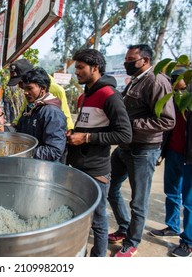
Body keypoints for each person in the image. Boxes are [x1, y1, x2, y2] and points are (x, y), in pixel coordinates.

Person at [107, 44, 176, 257]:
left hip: (144, 150)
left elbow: (167, 120)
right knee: (110, 186)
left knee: (138, 200)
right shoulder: (137, 80)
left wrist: (131, 126)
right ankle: (124, 227)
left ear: (144, 60)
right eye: (126, 59)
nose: (126, 63)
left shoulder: (156, 81)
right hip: (125, 146)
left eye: (130, 59)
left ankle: (132, 242)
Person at [66, 49, 132, 257]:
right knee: (81, 216)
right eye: (75, 67)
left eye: (80, 67)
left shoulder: (109, 95)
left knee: (98, 219)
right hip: (79, 166)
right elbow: (92, 126)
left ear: (95, 68)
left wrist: (85, 138)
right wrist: (75, 134)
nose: (76, 72)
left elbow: (124, 135)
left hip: (96, 169)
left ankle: (99, 258)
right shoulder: (85, 95)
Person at [148, 68, 192, 257]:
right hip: (173, 152)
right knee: (172, 192)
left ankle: (188, 242)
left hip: (190, 156)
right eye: (172, 78)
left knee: (189, 200)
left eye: (178, 78)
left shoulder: (189, 101)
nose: (174, 81)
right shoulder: (171, 100)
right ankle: (172, 226)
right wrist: (162, 151)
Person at [15, 67, 66, 161]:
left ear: (42, 88)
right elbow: (19, 132)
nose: (26, 93)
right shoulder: (31, 108)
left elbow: (54, 150)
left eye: (30, 88)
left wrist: (25, 153)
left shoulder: (52, 113)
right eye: (25, 89)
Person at [8, 58, 74, 131]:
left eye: (20, 82)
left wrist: (69, 130)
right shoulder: (29, 90)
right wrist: (15, 124)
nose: (20, 86)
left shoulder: (56, 90)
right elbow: (24, 109)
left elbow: (64, 113)